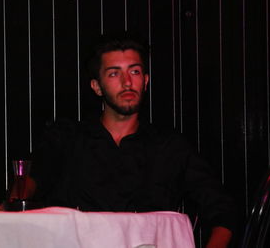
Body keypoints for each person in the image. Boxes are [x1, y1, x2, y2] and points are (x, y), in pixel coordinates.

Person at [26, 34, 235, 247]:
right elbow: (30, 183)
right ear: (96, 86)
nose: (127, 82)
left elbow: (223, 211)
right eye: (114, 73)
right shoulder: (67, 138)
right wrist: (15, 202)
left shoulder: (169, 146)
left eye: (134, 71)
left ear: (145, 81)